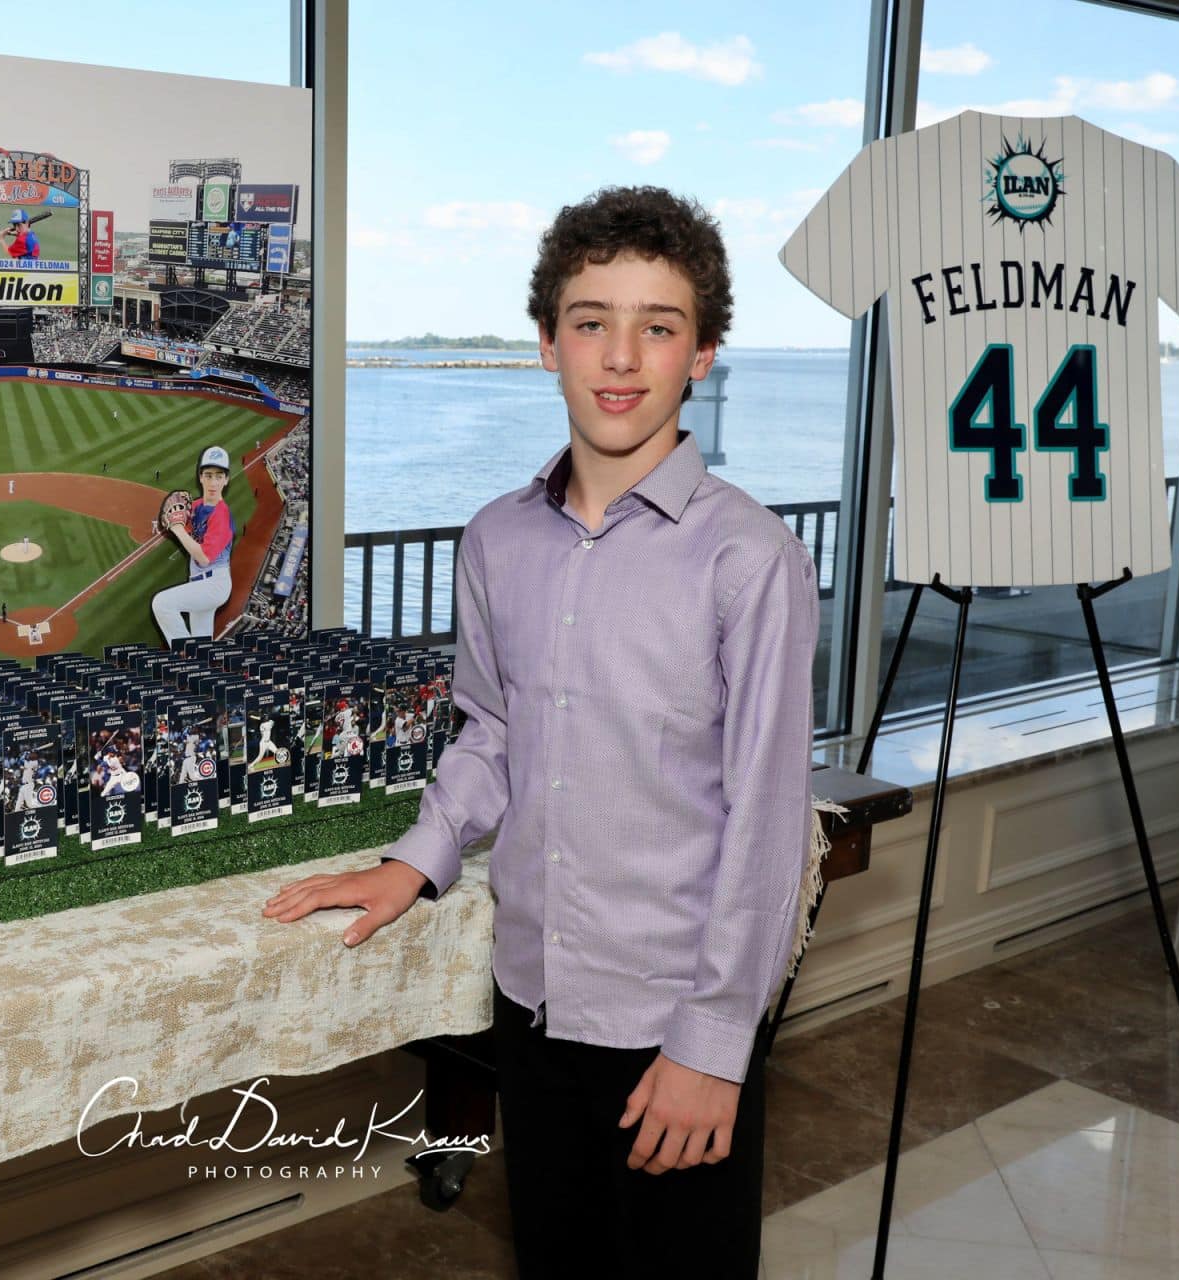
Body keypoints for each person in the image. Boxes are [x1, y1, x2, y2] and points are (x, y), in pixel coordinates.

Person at [261, 187, 817, 1277]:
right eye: (590, 320)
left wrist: (713, 1047)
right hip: (534, 1001)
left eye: (657, 326)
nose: (621, 354)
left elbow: (767, 825)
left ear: (702, 353)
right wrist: (412, 863)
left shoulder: (750, 561)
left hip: (674, 1019)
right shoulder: (495, 540)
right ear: (546, 345)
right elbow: (490, 735)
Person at [150, 446, 235, 645]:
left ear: (226, 480)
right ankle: (201, 668)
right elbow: (171, 524)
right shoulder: (195, 506)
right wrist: (171, 524)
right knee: (202, 642)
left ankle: (185, 658)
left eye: (219, 476)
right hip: (198, 582)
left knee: (162, 603)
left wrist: (178, 529)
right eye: (209, 475)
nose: (213, 482)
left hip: (214, 585)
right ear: (200, 477)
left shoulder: (222, 515)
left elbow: (204, 558)